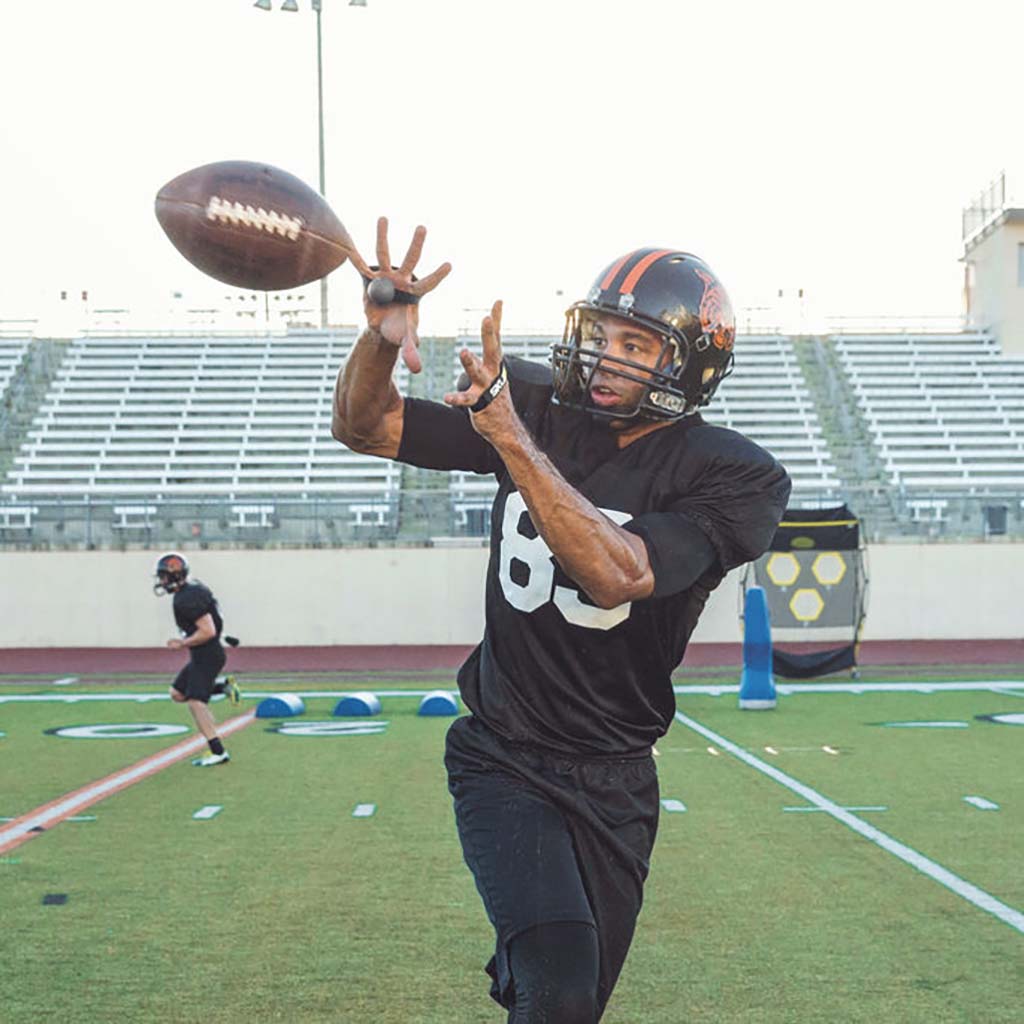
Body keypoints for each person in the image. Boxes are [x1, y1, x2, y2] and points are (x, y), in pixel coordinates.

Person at [332, 219, 792, 1023]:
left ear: (691, 363)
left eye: (638, 344)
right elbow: (366, 427)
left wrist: (511, 440)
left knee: (574, 1003)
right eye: (602, 332)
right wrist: (380, 340)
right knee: (559, 988)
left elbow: (619, 574)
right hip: (503, 753)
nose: (607, 355)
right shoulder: (537, 404)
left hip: (617, 773)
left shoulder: (735, 473)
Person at [154, 552, 240, 768]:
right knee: (178, 693)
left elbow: (208, 631)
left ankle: (218, 752)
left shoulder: (187, 598)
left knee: (196, 702)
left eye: (164, 576)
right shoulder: (192, 590)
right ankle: (224, 688)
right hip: (205, 654)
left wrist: (181, 643)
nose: (162, 581)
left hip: (207, 654)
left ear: (174, 576)